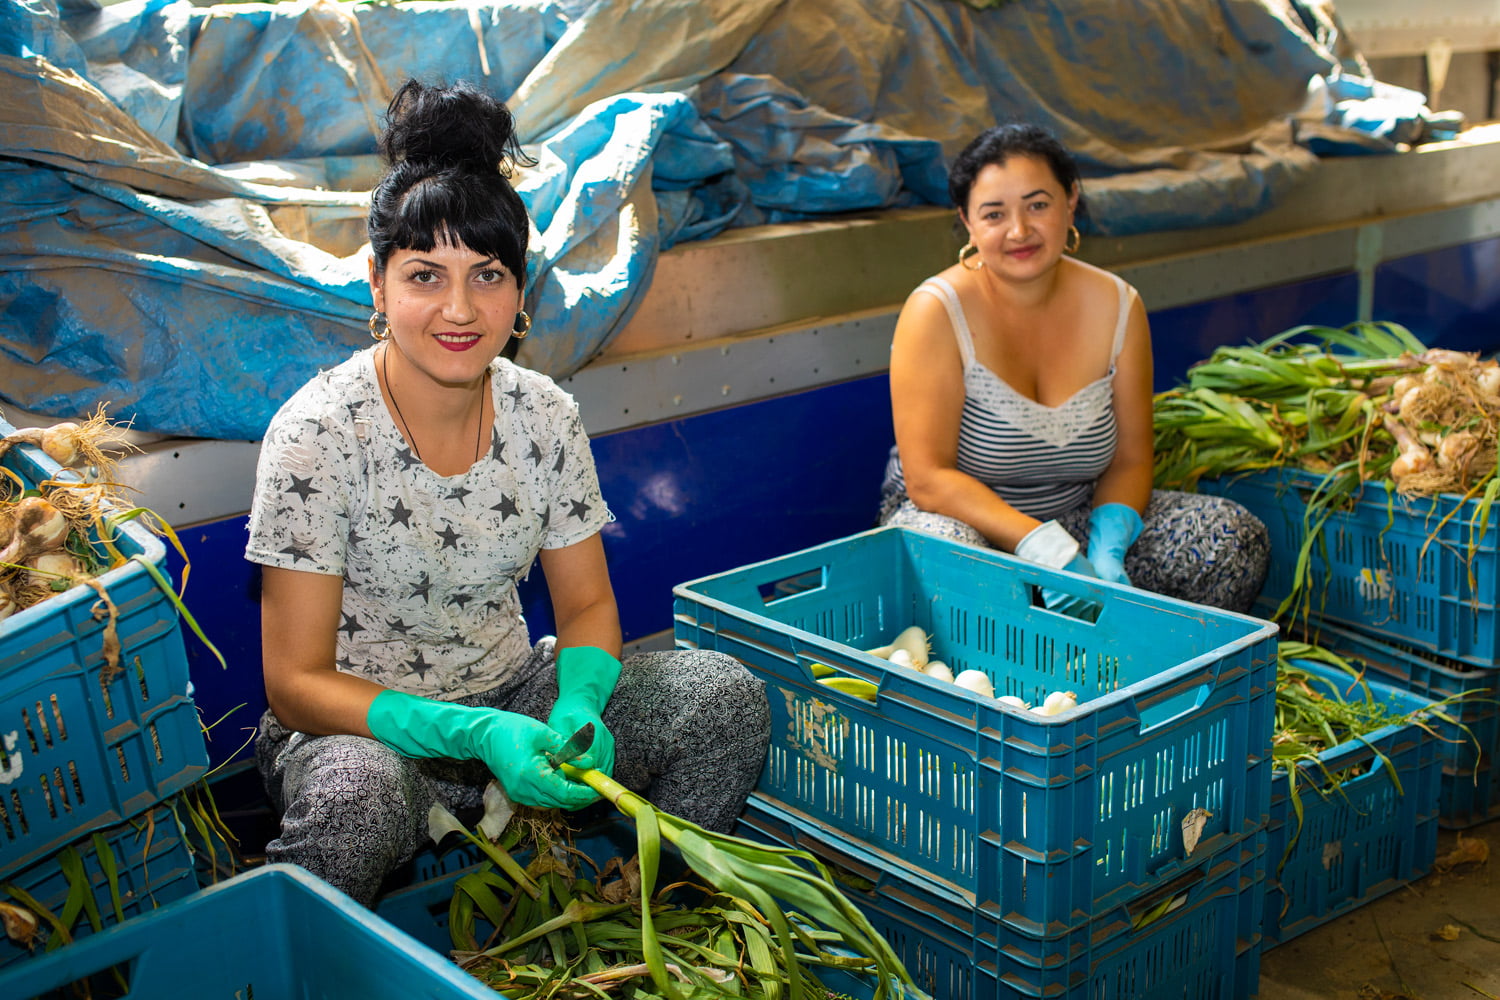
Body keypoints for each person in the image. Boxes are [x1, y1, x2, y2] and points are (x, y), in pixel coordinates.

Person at [245, 79, 770, 906]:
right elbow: (296, 681)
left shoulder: (543, 416)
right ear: (377, 288)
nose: (459, 309)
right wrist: (474, 735)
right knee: (354, 802)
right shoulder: (318, 433)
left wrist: (582, 706)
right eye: (425, 275)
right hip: (362, 733)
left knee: (723, 702)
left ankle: (652, 917)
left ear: (522, 295)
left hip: (515, 697)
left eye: (487, 275)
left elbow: (589, 609)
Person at [878, 123, 1269, 614]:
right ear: (967, 222)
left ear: (1071, 201)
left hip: (1072, 520)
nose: (1019, 231)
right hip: (959, 523)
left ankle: (1149, 667)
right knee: (951, 556)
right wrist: (1042, 549)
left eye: (1037, 205)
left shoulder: (1118, 304)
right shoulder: (936, 311)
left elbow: (1129, 460)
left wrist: (1105, 549)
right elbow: (928, 479)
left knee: (1230, 540)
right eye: (994, 214)